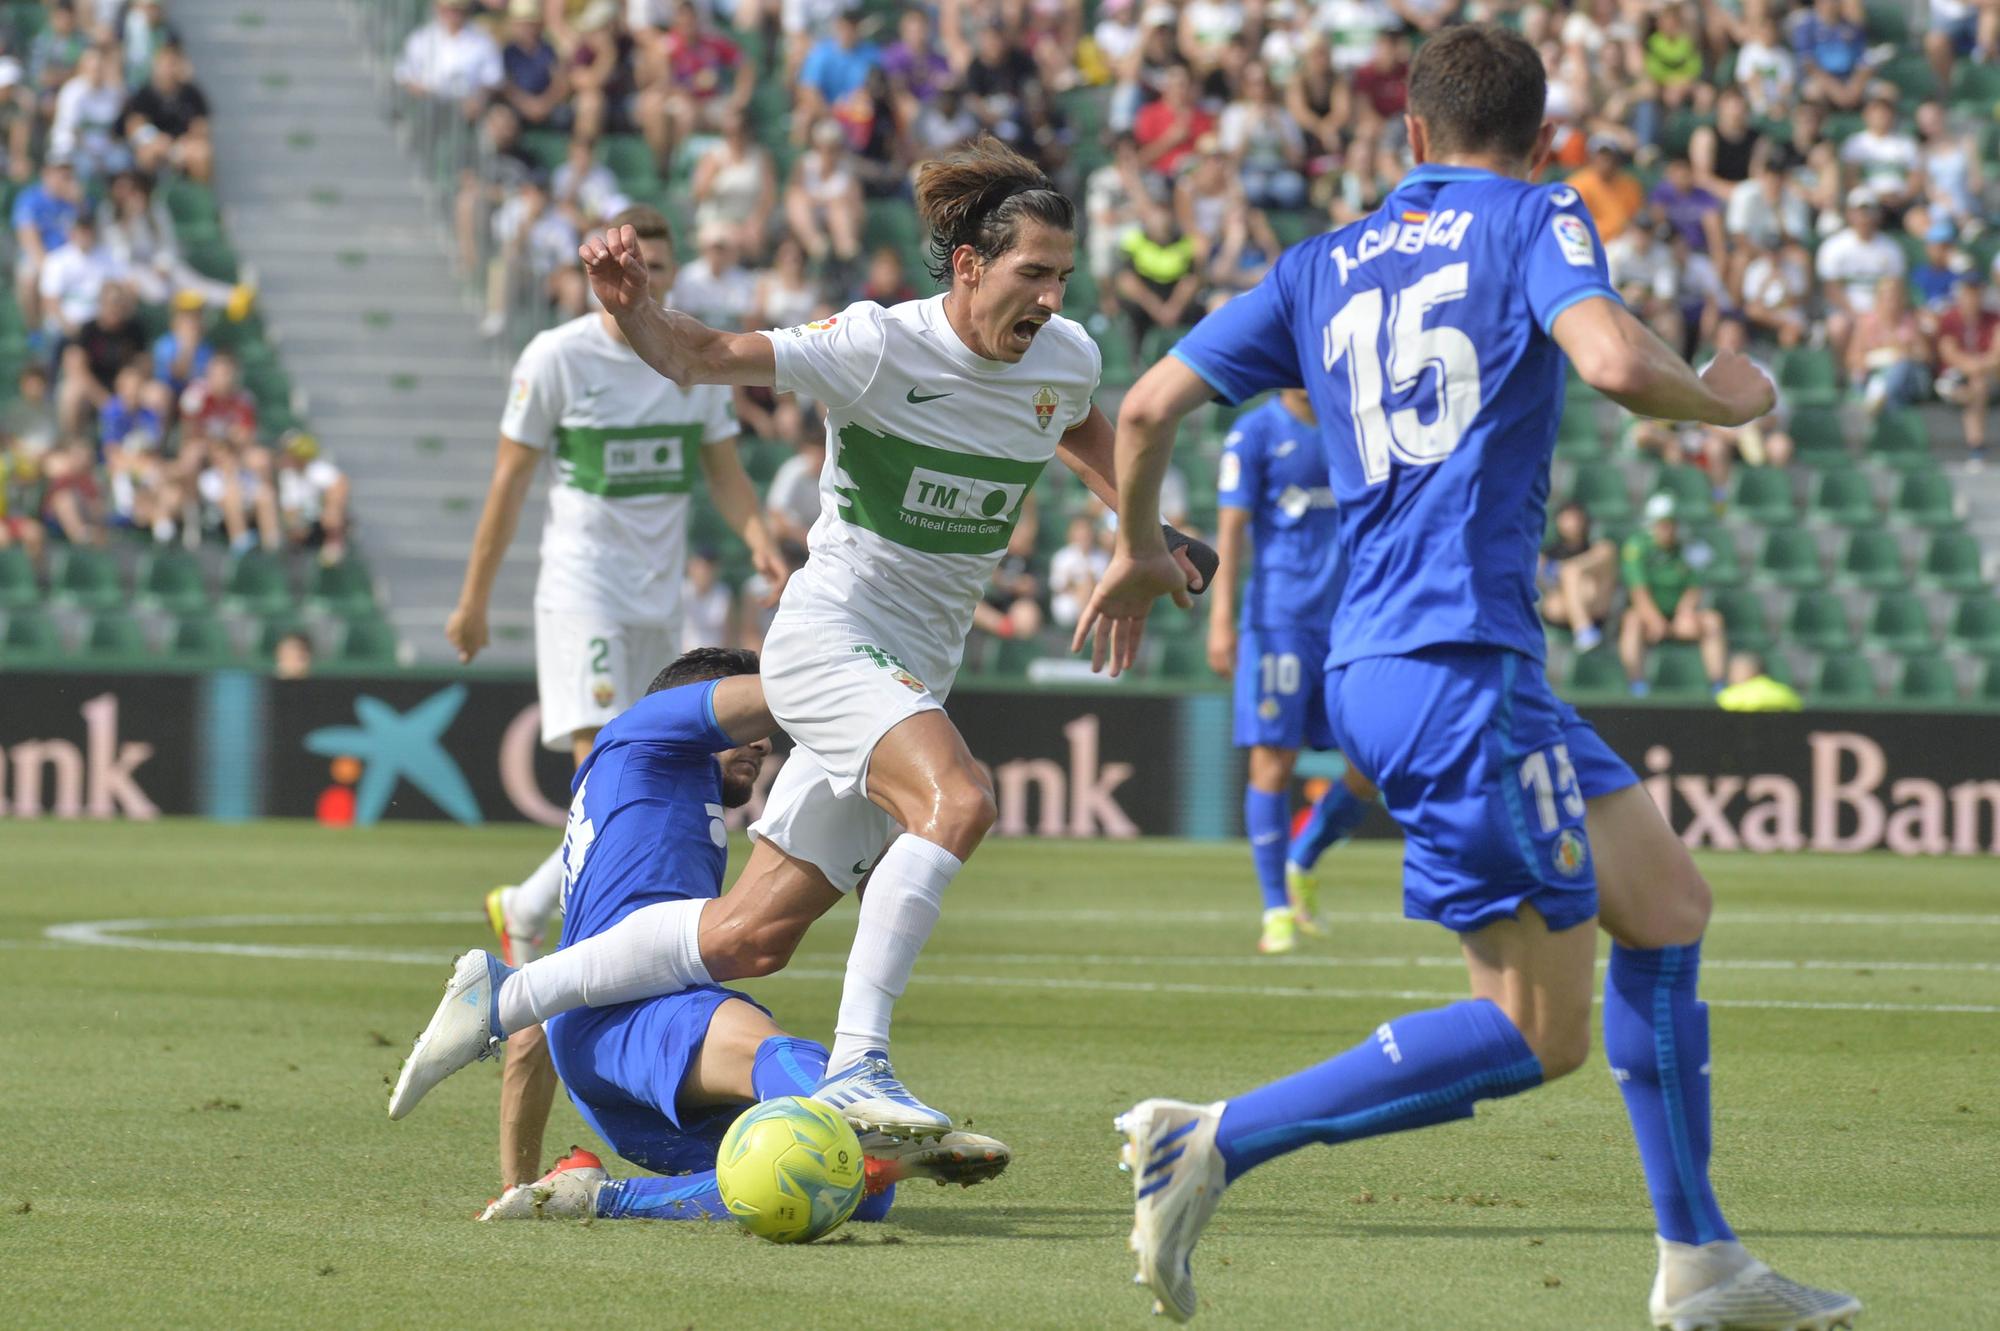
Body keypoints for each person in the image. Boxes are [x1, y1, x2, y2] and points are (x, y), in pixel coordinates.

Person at [1066, 25, 1857, 1329]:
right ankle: (1207, 1137)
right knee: (1535, 1029)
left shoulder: (1316, 264)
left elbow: (1145, 408)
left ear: (1411, 138)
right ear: (1541, 141)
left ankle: (1705, 1261)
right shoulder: (1535, 215)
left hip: (1396, 657)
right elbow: (1608, 360)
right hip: (1456, 662)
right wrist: (1725, 399)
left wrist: (1140, 550)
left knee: (1665, 903)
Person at [427, 137, 1213, 1143]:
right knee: (958, 798)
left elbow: (1080, 435)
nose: (1051, 296)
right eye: (1032, 273)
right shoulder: (876, 345)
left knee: (750, 936)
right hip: (830, 635)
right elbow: (705, 358)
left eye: (1063, 275)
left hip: (913, 666)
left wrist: (1148, 541)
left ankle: (501, 997)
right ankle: (859, 1065)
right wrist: (633, 309)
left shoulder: (1061, 359)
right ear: (968, 265)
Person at [391, 650, 1012, 1220]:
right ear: (700, 711)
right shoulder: (643, 730)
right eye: (743, 731)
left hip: (609, 1066)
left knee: (850, 1189)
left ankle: (599, 1197)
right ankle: (858, 1109)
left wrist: (516, 1186)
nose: (762, 744)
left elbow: (539, 1023)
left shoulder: (651, 795)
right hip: (638, 1018)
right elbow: (802, 689)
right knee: (793, 1064)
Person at [446, 203, 786, 1192]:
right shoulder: (556, 357)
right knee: (614, 760)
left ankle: (529, 896)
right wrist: (474, 600)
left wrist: (758, 535)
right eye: (637, 262)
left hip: (660, 596)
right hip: (583, 591)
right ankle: (548, 915)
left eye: (664, 264)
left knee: (652, 776)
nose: (651, 278)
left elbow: (721, 468)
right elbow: (511, 481)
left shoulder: (689, 361)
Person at [1207, 388, 1375, 956]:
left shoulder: (1353, 423)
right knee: (1272, 760)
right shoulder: (1254, 433)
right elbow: (1231, 528)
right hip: (1278, 619)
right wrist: (1222, 617)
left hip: (1348, 623)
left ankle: (1304, 856)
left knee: (1372, 761)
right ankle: (1276, 906)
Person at [1619, 493, 1726, 695]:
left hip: (1679, 617)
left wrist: (1684, 613)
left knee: (1713, 621)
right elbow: (1638, 591)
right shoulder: (1637, 547)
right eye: (1662, 524)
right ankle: (1637, 684)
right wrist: (1654, 620)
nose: (1667, 529)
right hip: (1649, 617)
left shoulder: (1690, 547)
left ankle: (1718, 685)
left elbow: (1694, 587)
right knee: (1631, 620)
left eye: (1671, 523)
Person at [1537, 498, 1618, 651]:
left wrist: (1563, 570)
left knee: (1573, 571)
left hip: (1596, 606)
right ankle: (1584, 630)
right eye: (1567, 518)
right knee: (1566, 579)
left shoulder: (1597, 548)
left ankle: (1584, 631)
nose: (1573, 523)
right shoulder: (1548, 554)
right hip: (1560, 610)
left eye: (1576, 517)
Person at [1714, 651, 1802, 713]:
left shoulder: (1730, 696)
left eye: (1735, 670)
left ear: (1750, 669)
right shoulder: (1786, 692)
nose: (1731, 675)